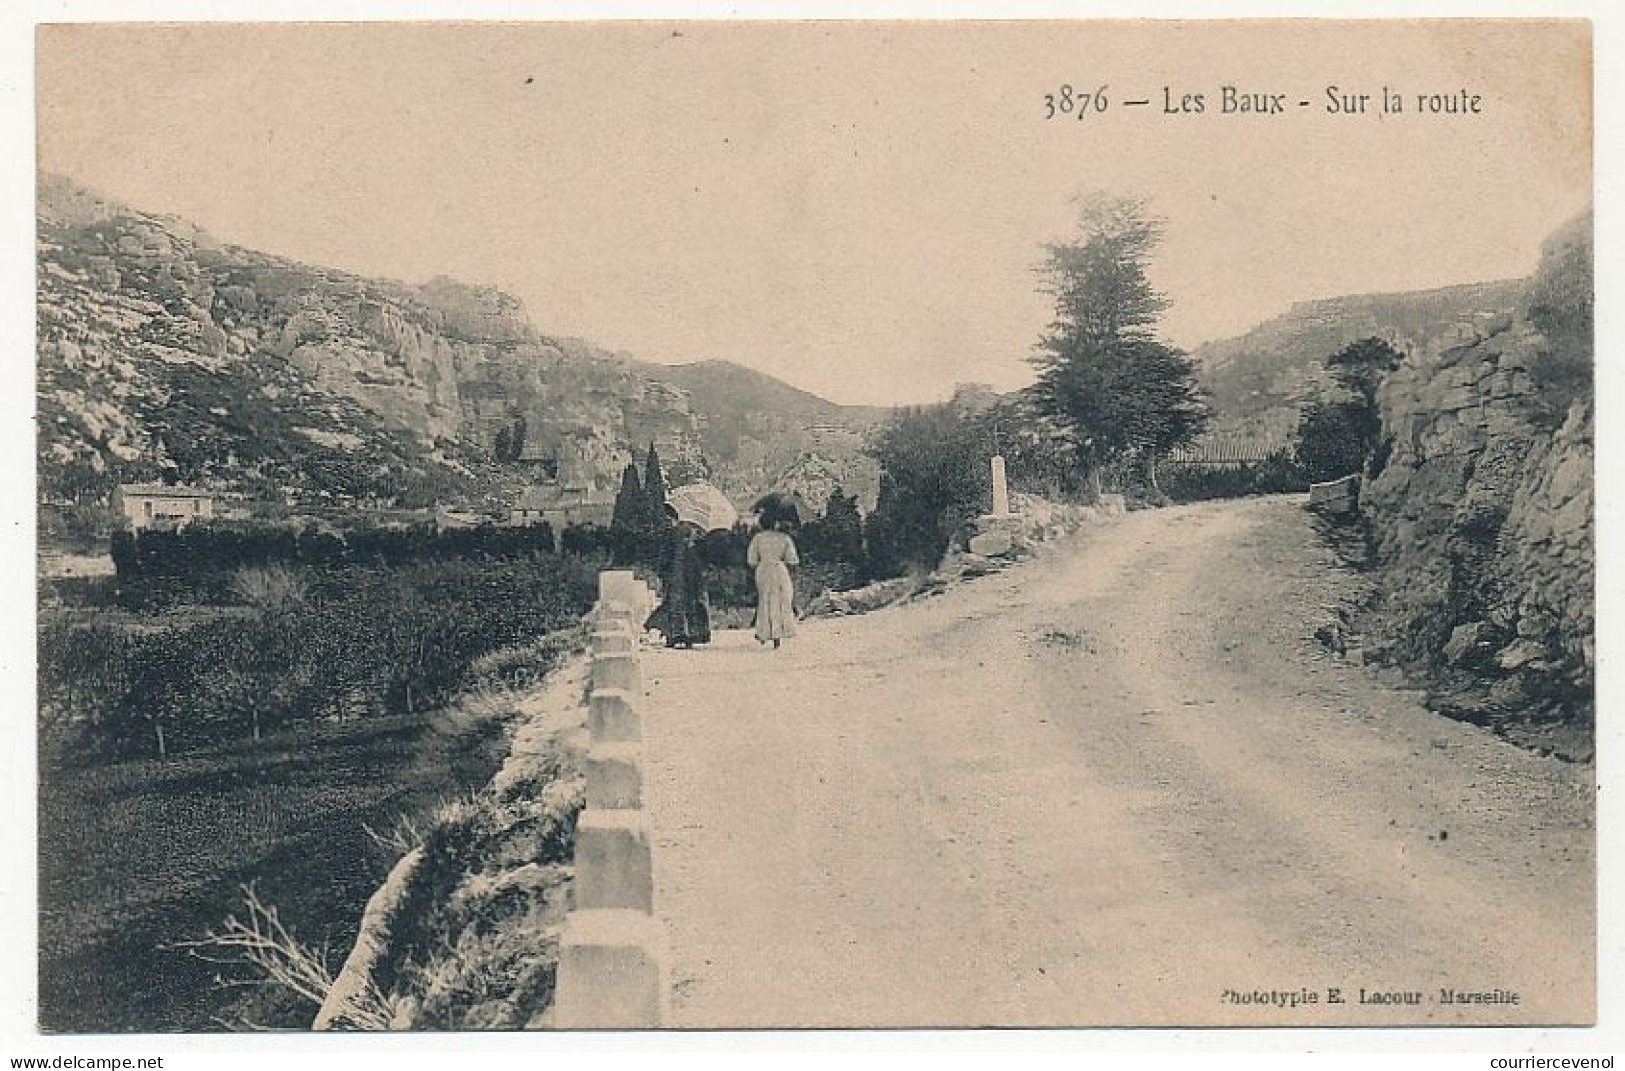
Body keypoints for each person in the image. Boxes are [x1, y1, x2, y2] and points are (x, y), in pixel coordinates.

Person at [646, 513, 711, 649]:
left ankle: (675, 635)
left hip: (675, 574)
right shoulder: (699, 534)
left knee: (673, 604)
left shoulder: (672, 533)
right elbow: (705, 557)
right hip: (693, 575)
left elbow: (665, 555)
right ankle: (692, 635)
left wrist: (662, 572)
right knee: (692, 603)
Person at [748, 511, 799, 648]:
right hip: (779, 569)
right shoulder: (784, 538)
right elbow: (792, 560)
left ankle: (764, 632)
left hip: (763, 570)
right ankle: (778, 634)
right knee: (781, 600)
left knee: (765, 600)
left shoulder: (757, 539)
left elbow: (752, 560)